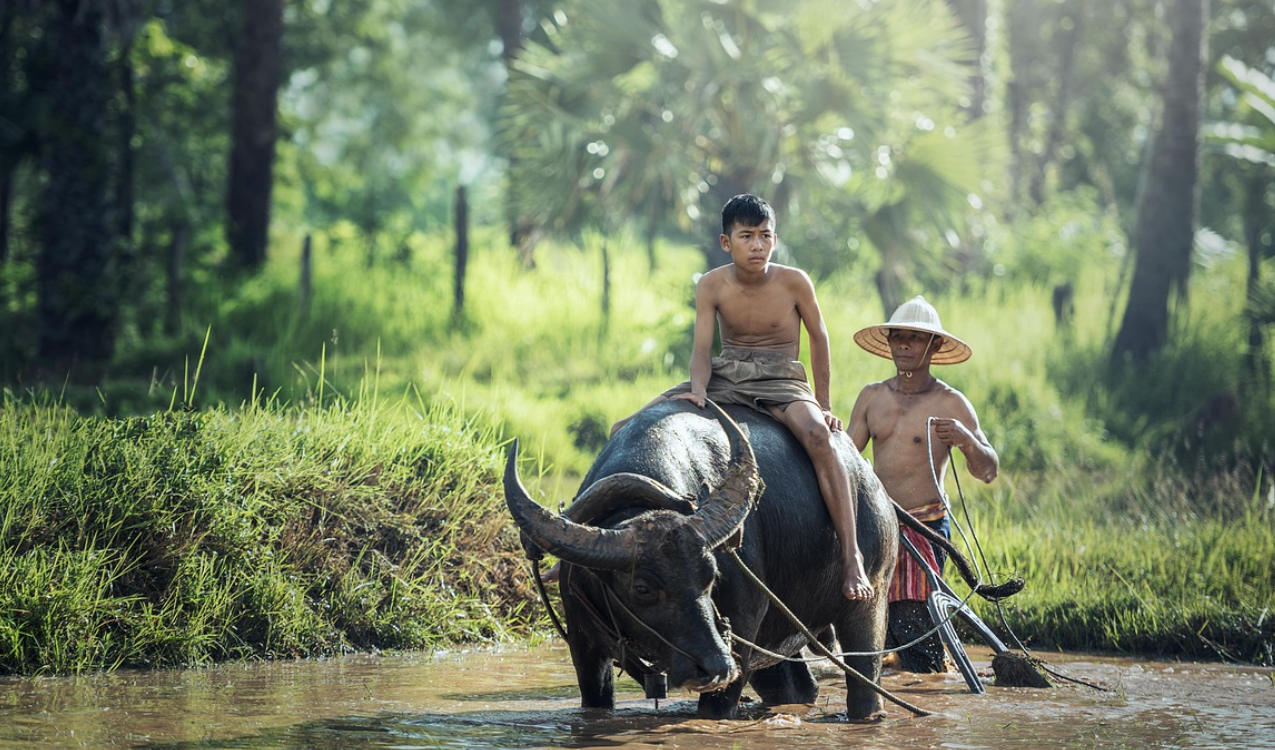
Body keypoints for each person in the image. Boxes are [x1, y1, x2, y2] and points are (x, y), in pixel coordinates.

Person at [547, 194, 873, 600]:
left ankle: (851, 556)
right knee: (621, 427)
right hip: (727, 374)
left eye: (766, 236)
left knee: (821, 440)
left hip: (781, 378)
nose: (758, 245)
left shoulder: (794, 281)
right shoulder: (712, 284)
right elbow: (703, 349)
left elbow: (819, 339)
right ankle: (574, 547)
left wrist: (823, 405)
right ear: (726, 242)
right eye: (747, 236)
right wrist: (698, 389)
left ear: (775, 239)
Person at [847, 295, 999, 671]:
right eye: (897, 336)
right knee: (871, 632)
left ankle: (929, 687)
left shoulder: (951, 403)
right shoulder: (872, 397)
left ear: (935, 346)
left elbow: (989, 470)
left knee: (914, 626)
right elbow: (846, 460)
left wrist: (965, 439)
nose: (903, 345)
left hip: (925, 527)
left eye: (914, 338)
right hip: (877, 526)